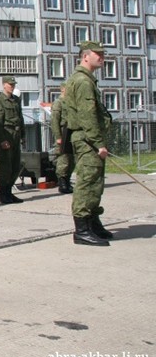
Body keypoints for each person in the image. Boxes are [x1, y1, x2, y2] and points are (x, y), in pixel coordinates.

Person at [64, 41, 113, 247]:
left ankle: (92, 222)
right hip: (87, 140)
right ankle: (82, 230)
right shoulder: (83, 81)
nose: (102, 57)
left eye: (103, 53)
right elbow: (87, 115)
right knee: (87, 183)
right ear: (85, 56)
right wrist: (98, 142)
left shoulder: (87, 80)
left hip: (89, 140)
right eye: (97, 53)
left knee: (95, 183)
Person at [0, 75, 25, 204]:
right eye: (10, 84)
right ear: (4, 85)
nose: (12, 87)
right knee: (6, 166)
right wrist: (1, 140)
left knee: (15, 165)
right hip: (6, 134)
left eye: (13, 85)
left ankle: (9, 192)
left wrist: (22, 135)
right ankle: (3, 193)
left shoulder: (16, 100)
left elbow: (20, 118)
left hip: (16, 134)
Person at [51, 83, 75, 194]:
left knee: (71, 159)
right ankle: (62, 183)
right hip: (63, 131)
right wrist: (58, 136)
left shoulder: (71, 102)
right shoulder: (58, 103)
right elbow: (54, 121)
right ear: (62, 89)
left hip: (71, 131)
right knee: (63, 159)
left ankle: (67, 181)